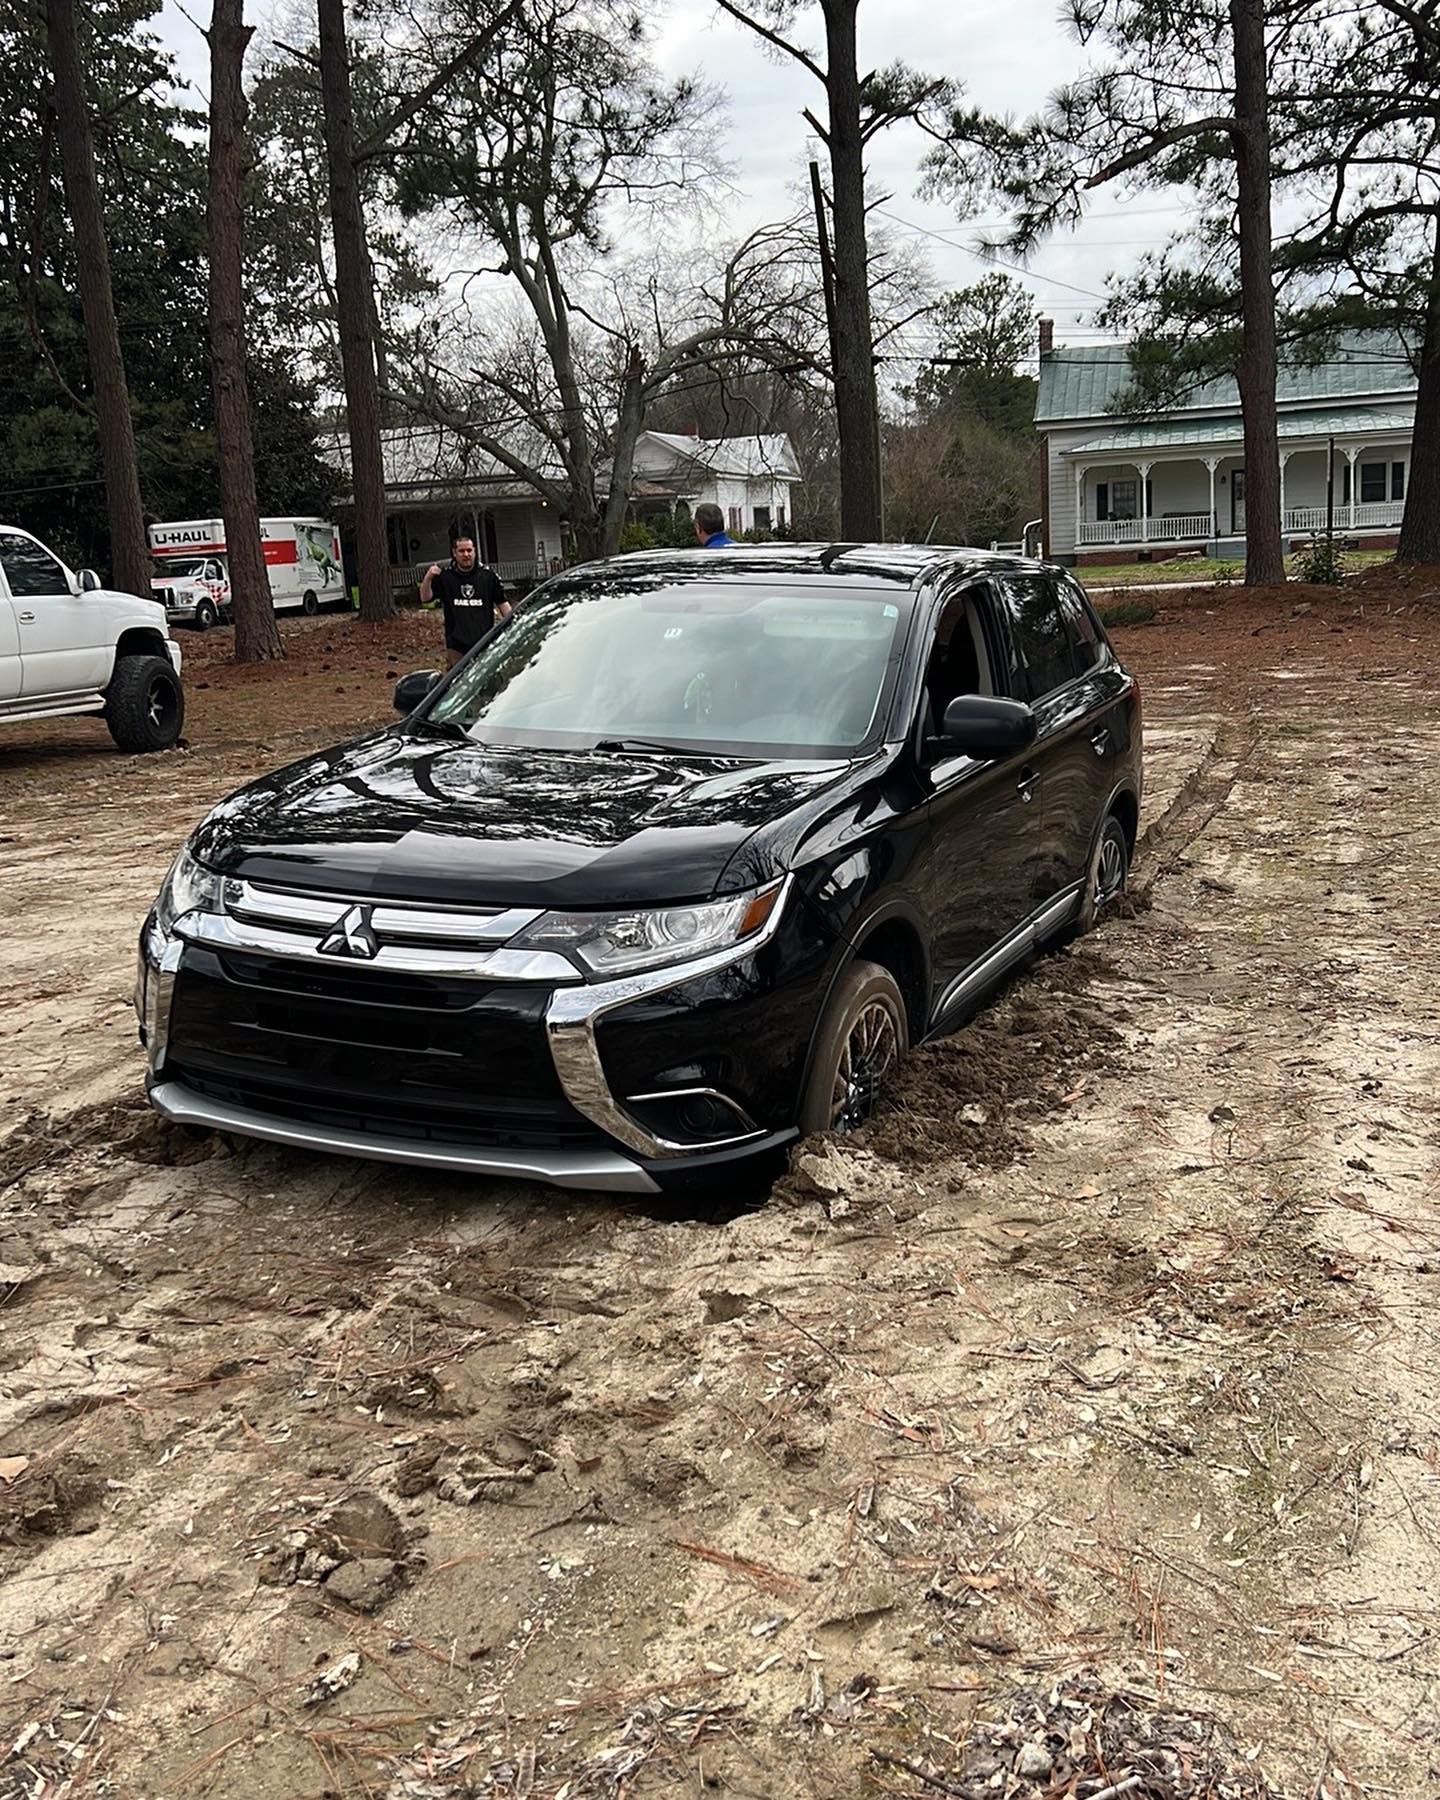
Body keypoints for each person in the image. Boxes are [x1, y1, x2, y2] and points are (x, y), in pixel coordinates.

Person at [419, 537, 511, 668]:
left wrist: (514, 625)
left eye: (469, 550)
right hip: (456, 645)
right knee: (458, 682)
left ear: (474, 551)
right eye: (461, 551)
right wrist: (428, 577)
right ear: (454, 553)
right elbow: (425, 598)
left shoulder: (488, 576)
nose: (466, 554)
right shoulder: (446, 577)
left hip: (484, 642)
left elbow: (503, 604)